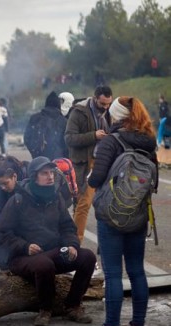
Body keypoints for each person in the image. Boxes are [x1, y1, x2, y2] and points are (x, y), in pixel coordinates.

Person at [84, 97, 158, 326]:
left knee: (114, 273)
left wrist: (90, 179)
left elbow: (96, 180)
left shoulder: (111, 141)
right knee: (137, 271)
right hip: (137, 215)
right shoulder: (149, 142)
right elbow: (153, 181)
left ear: (116, 116)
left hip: (111, 216)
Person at [0, 157, 97, 326]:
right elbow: (1, 233)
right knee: (44, 264)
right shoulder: (18, 200)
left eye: (51, 173)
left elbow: (67, 227)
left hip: (53, 252)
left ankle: (72, 306)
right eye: (45, 173)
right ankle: (45, 310)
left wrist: (72, 245)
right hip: (23, 257)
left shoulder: (55, 197)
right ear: (34, 176)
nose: (50, 177)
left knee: (88, 257)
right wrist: (25, 246)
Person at [65, 85, 113, 243]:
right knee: (83, 204)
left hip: (104, 161)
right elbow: (69, 138)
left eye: (108, 104)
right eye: (103, 104)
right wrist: (94, 135)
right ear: (95, 98)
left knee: (106, 203)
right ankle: (76, 243)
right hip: (85, 164)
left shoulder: (110, 112)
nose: (106, 107)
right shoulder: (79, 112)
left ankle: (106, 242)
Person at [0, 156, 28, 269]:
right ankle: (6, 267)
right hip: (10, 224)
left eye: (6, 183)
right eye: (0, 184)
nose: (3, 187)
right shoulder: (3, 190)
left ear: (14, 176)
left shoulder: (26, 187)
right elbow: (0, 211)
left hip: (27, 227)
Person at [24, 91, 69, 159]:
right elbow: (68, 143)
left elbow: (27, 138)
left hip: (39, 160)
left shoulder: (35, 118)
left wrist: (34, 152)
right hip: (58, 160)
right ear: (58, 105)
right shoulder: (64, 121)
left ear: (46, 104)